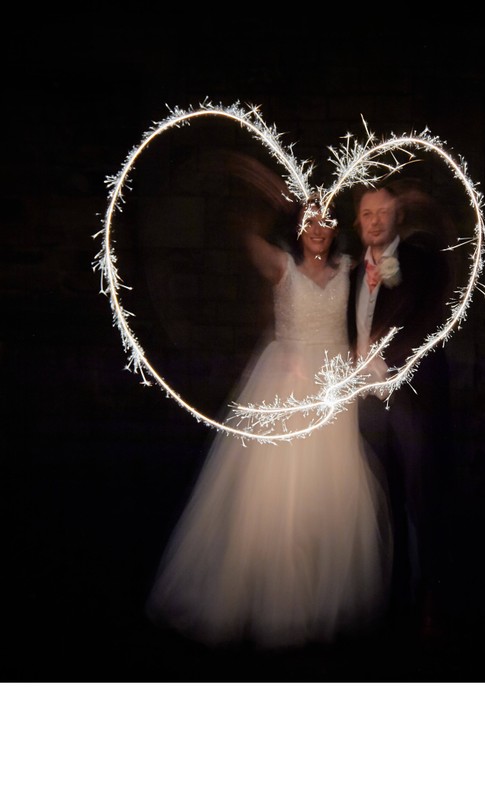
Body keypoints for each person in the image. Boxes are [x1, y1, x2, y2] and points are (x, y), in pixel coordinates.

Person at [145, 198, 391, 649]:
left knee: (328, 483)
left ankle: (321, 596)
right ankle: (280, 599)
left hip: (332, 388)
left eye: (326, 222)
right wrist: (269, 191)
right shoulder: (281, 265)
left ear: (336, 229)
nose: (318, 229)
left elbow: (378, 289)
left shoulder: (352, 268)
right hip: (287, 384)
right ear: (298, 227)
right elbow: (246, 232)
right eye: (309, 221)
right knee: (281, 489)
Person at [347, 181, 454, 637]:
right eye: (367, 214)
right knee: (381, 498)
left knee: (421, 495)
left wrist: (387, 354)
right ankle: (390, 595)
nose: (375, 220)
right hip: (368, 405)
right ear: (358, 223)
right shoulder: (351, 273)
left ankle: (430, 594)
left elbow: (428, 314)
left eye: (383, 212)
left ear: (398, 218)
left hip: (412, 400)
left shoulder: (420, 260)